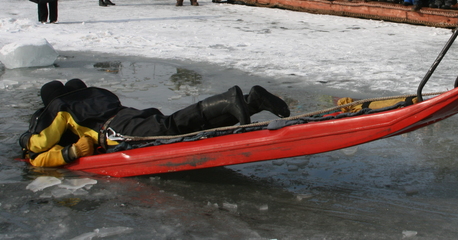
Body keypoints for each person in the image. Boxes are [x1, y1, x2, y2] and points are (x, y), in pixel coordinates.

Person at [19, 79, 290, 168]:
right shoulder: (96, 92)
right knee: (188, 130)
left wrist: (69, 152)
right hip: (131, 116)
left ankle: (229, 99)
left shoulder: (60, 108)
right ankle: (252, 103)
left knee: (172, 128)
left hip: (118, 132)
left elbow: (38, 146)